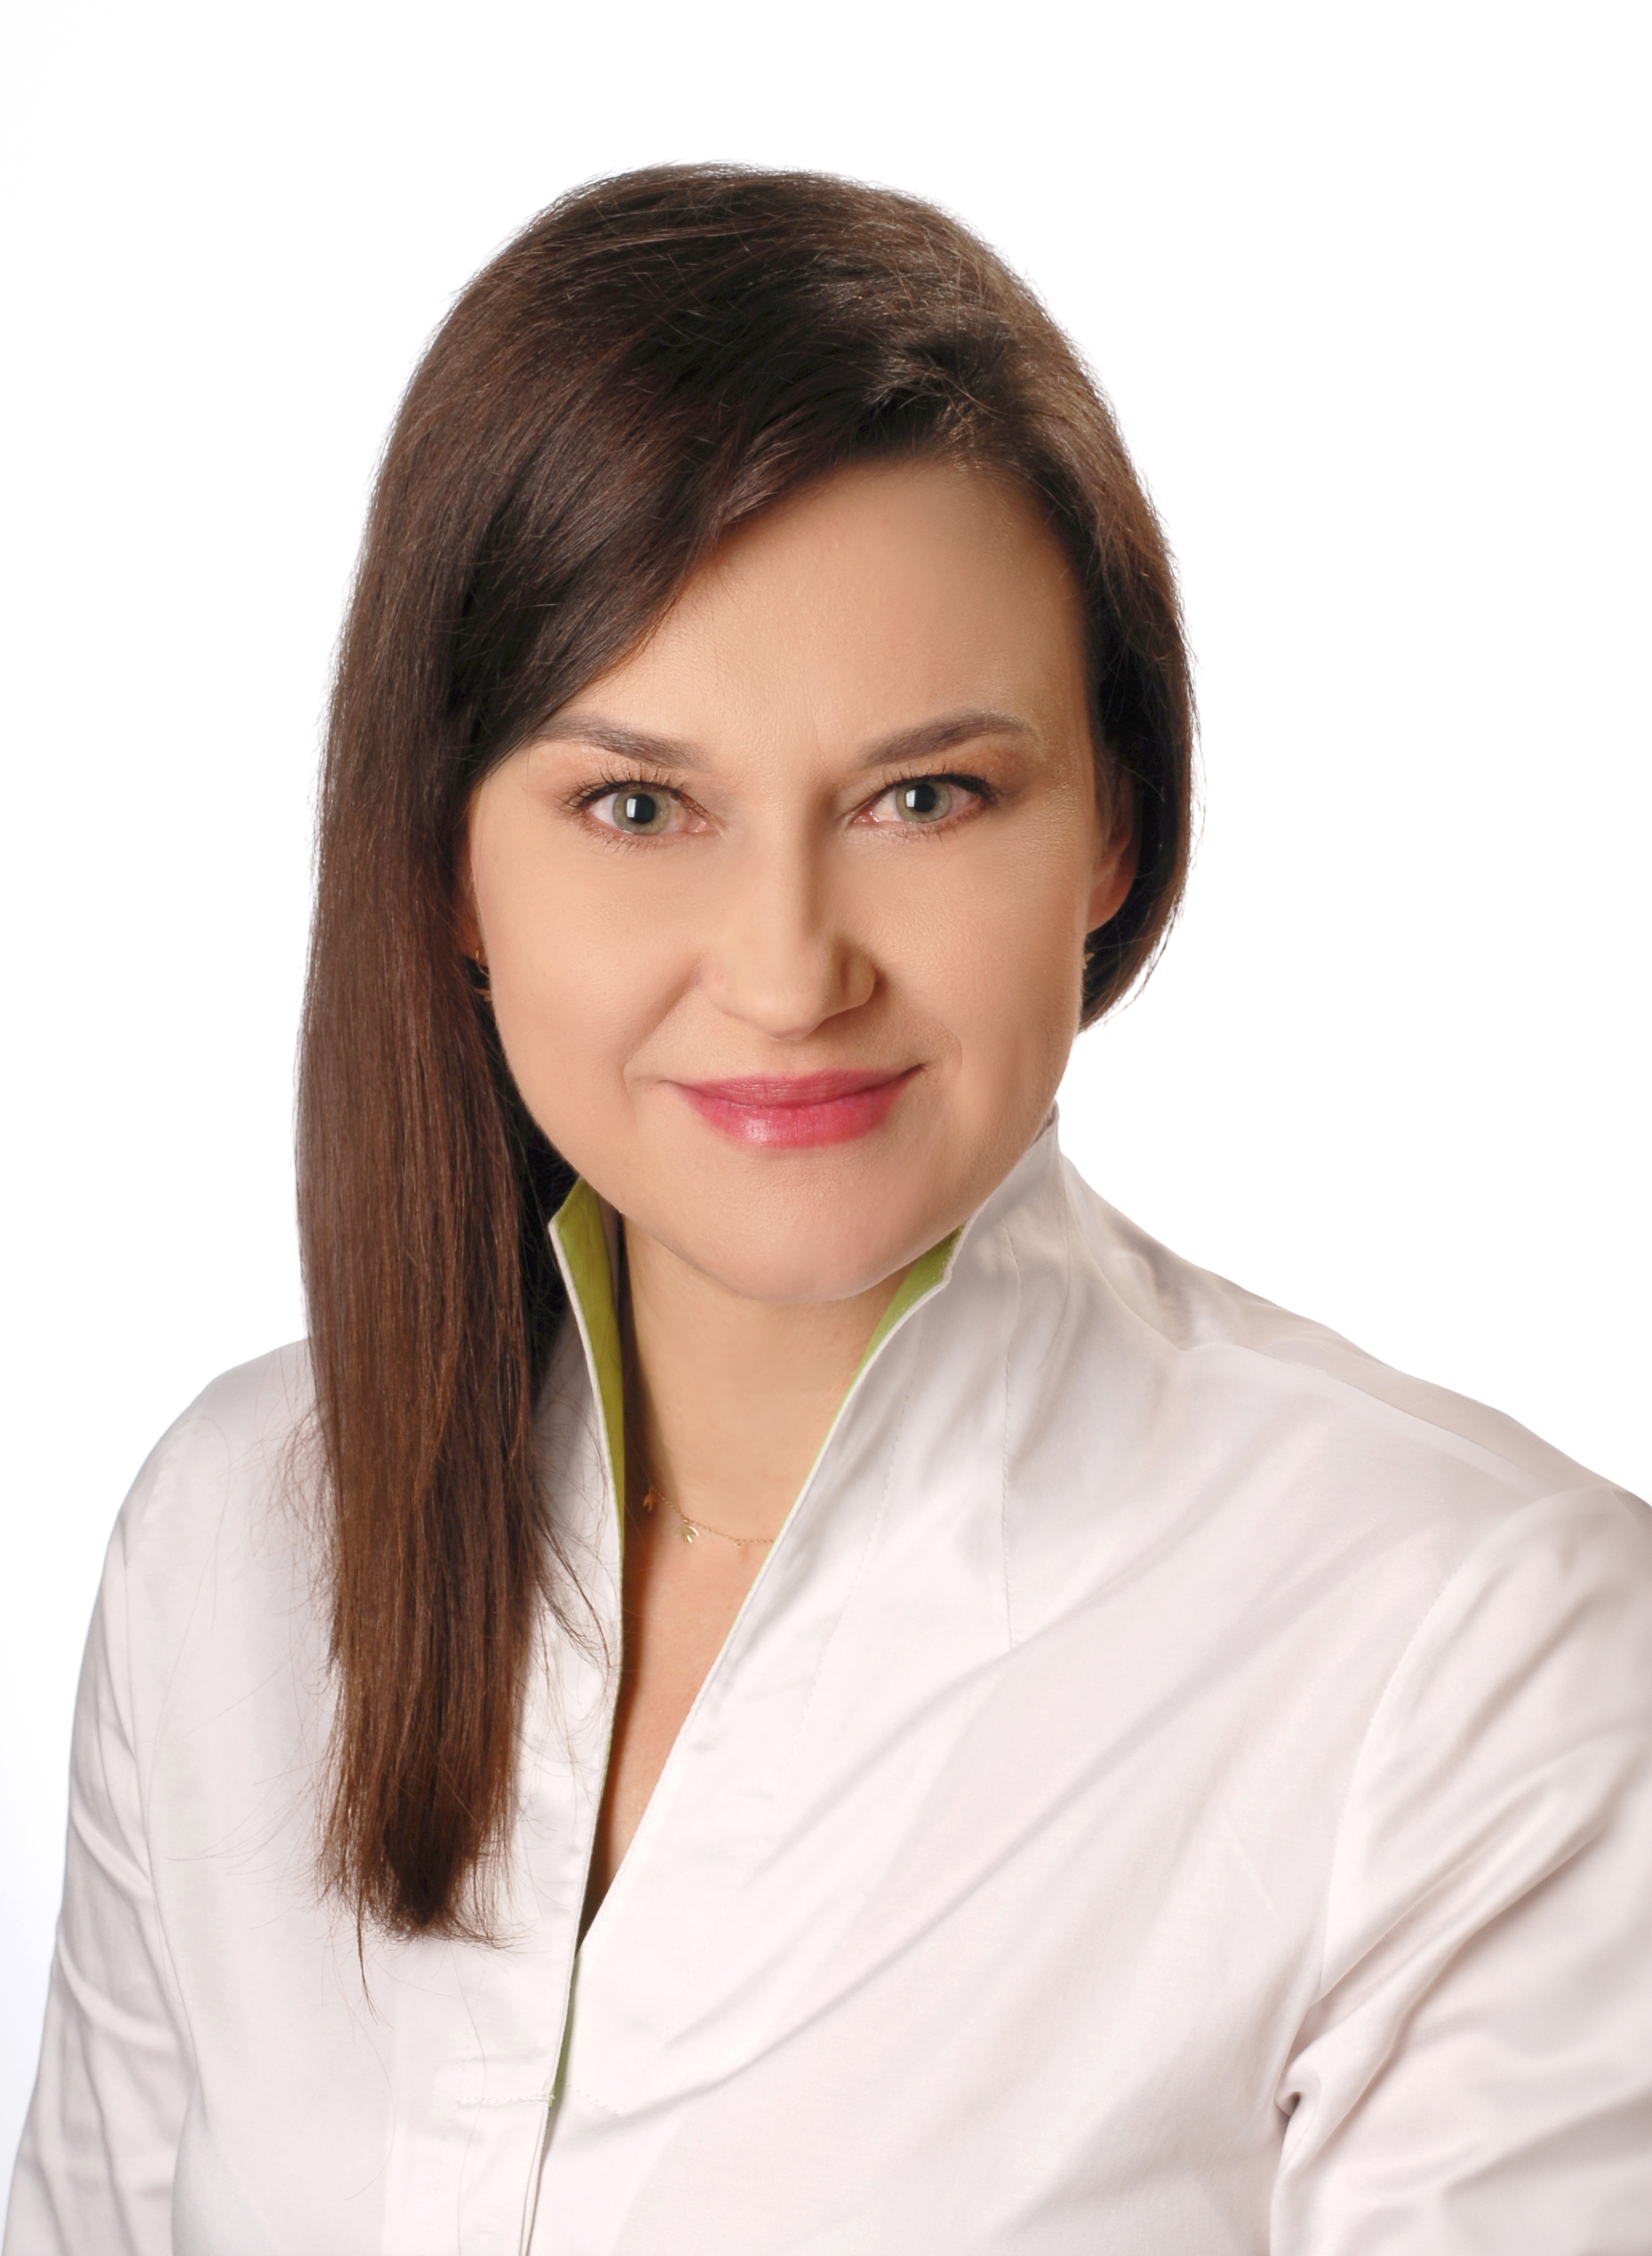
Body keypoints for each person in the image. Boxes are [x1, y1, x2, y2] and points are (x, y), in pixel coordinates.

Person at [6, 163, 1650, 2256]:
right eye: (637, 805)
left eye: (922, 797)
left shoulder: (1483, 1656)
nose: (789, 974)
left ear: (1111, 828)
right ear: (447, 868)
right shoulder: (230, 1542)